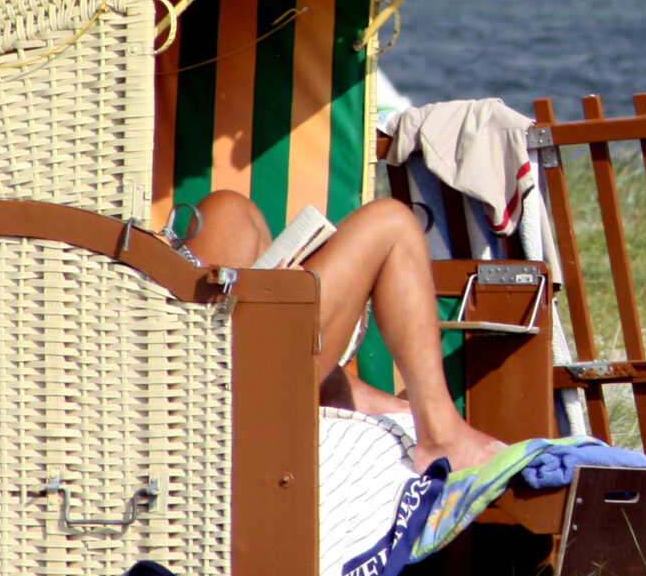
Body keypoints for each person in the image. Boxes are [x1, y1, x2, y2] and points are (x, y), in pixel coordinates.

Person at [178, 189, 515, 486]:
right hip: (220, 391)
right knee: (391, 222)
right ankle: (442, 437)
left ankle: (340, 390)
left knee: (231, 208)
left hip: (194, 362)